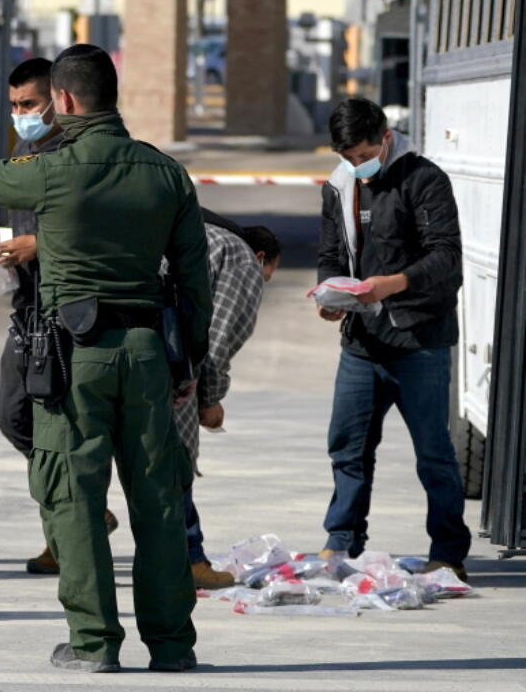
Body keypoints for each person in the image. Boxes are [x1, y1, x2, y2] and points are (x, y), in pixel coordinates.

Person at [0, 44, 212, 673]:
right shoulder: (166, 173)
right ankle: (172, 646)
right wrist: (190, 365)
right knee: (161, 503)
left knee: (75, 498)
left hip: (73, 355)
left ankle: (94, 644)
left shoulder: (54, 168)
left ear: (62, 100)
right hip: (147, 353)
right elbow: (196, 284)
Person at [316, 97, 471, 578]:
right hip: (362, 340)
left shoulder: (424, 179)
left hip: (420, 339)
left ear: (385, 137)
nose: (356, 165)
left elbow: (447, 259)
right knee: (347, 445)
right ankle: (342, 540)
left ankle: (447, 551)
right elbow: (331, 253)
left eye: (363, 155)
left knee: (433, 454)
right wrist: (330, 292)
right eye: (347, 157)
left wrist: (392, 284)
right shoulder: (339, 186)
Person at [0, 57, 120, 575]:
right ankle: (73, 518)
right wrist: (0, 251)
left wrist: (37, 246)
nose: (22, 115)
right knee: (14, 415)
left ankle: (69, 534)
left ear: (59, 100)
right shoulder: (23, 153)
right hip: (29, 310)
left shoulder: (80, 154)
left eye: (30, 104)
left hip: (75, 312)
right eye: (15, 106)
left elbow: (98, 230)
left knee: (62, 425)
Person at [176, 212, 281, 589]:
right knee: (173, 464)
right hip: (168, 369)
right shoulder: (236, 255)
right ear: (261, 258)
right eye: (267, 274)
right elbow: (219, 338)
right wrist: (210, 399)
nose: (262, 284)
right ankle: (188, 560)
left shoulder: (182, 231)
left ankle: (66, 552)